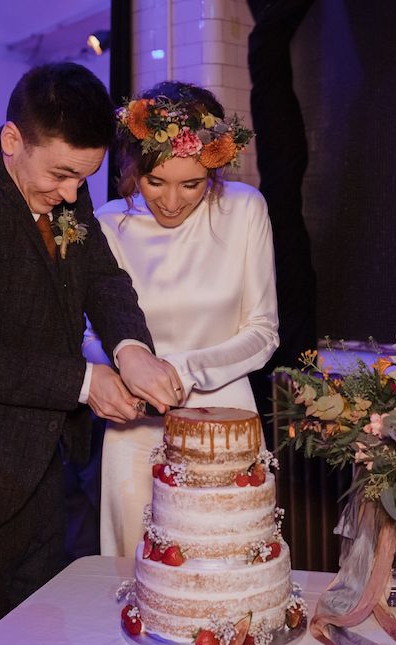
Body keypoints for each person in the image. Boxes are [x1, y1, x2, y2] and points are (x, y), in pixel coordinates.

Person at [0, 62, 182, 644]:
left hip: (48, 467)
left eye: (83, 180)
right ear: (13, 140)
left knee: (39, 633)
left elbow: (103, 278)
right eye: (62, 175)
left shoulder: (65, 188)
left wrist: (133, 349)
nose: (71, 195)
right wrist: (85, 382)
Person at [82, 81, 279, 557]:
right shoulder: (108, 224)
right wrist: (123, 369)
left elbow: (263, 331)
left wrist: (181, 372)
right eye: (155, 182)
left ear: (213, 166)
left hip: (227, 422)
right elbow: (90, 336)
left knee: (227, 567)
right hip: (134, 429)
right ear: (131, 169)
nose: (171, 201)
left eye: (191, 184)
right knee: (137, 578)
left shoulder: (245, 209)